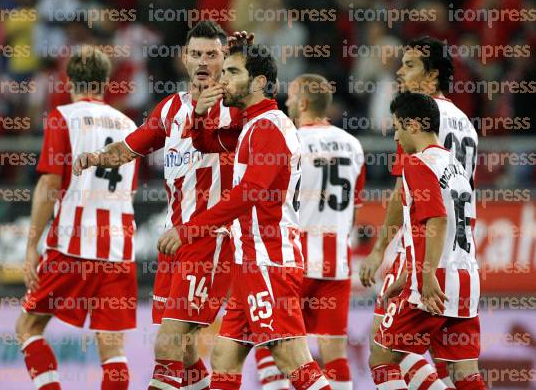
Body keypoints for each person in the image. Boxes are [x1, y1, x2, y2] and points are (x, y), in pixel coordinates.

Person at [73, 21, 251, 390]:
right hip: (176, 242)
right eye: (197, 54)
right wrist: (94, 157)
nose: (204, 62)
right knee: (184, 354)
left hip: (211, 239)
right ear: (184, 59)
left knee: (168, 342)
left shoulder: (235, 108)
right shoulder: (170, 109)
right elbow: (129, 146)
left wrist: (244, 67)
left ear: (224, 58)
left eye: (213, 55)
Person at [158, 44, 332, 390]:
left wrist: (191, 229)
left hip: (269, 259)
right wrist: (198, 116)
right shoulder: (253, 125)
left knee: (290, 357)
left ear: (259, 81)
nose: (223, 80)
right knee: (224, 356)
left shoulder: (269, 126)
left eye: (233, 72)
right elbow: (208, 143)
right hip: (249, 260)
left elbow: (249, 193)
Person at [16, 46, 139, 390]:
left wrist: (31, 246)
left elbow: (50, 183)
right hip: (119, 247)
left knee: (28, 328)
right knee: (113, 350)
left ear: (67, 80)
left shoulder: (62, 116)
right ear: (106, 81)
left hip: (73, 243)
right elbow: (129, 191)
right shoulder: (129, 125)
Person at [359, 36, 479, 389]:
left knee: (383, 345)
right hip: (460, 255)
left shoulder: (418, 117)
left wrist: (380, 249)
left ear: (433, 77)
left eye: (409, 65)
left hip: (423, 245)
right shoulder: (466, 123)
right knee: (455, 365)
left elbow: (404, 192)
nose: (400, 71)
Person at [251, 74, 365, 390]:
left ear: (302, 102)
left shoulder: (292, 140)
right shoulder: (353, 144)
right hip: (336, 263)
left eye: (290, 98)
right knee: (335, 353)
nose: (286, 103)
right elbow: (354, 207)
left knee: (271, 338)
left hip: (293, 259)